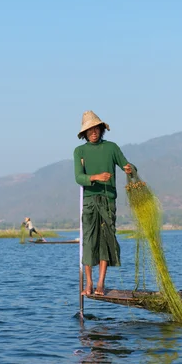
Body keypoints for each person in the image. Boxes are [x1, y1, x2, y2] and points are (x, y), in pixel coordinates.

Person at [74, 110, 136, 296]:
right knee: (89, 240)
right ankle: (89, 283)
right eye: (89, 129)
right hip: (89, 201)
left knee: (106, 240)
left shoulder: (111, 148)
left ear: (102, 129)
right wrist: (96, 177)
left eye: (96, 128)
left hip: (108, 201)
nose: (93, 132)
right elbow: (78, 177)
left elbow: (128, 166)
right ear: (85, 133)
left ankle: (101, 283)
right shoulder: (80, 151)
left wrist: (129, 169)